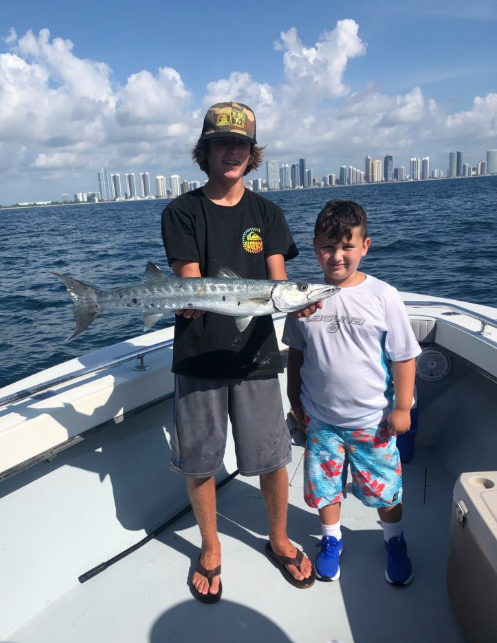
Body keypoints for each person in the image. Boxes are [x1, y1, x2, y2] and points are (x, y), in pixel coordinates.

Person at [161, 101, 316, 603]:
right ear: (203, 152)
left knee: (273, 458)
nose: (231, 151)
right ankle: (210, 547)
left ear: (253, 155)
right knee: (201, 462)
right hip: (199, 355)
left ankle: (278, 536)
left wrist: (298, 303)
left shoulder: (267, 213)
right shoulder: (181, 211)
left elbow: (278, 282)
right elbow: (189, 277)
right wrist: (189, 302)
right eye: (221, 143)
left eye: (241, 144)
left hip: (256, 357)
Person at [283, 199, 421, 585]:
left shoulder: (383, 296)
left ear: (365, 246)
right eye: (328, 246)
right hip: (320, 421)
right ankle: (331, 539)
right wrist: (295, 403)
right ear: (314, 247)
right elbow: (297, 355)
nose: (337, 256)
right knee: (324, 488)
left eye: (347, 246)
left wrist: (402, 407)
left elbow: (404, 356)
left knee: (386, 491)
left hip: (372, 422)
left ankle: (393, 540)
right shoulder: (303, 299)